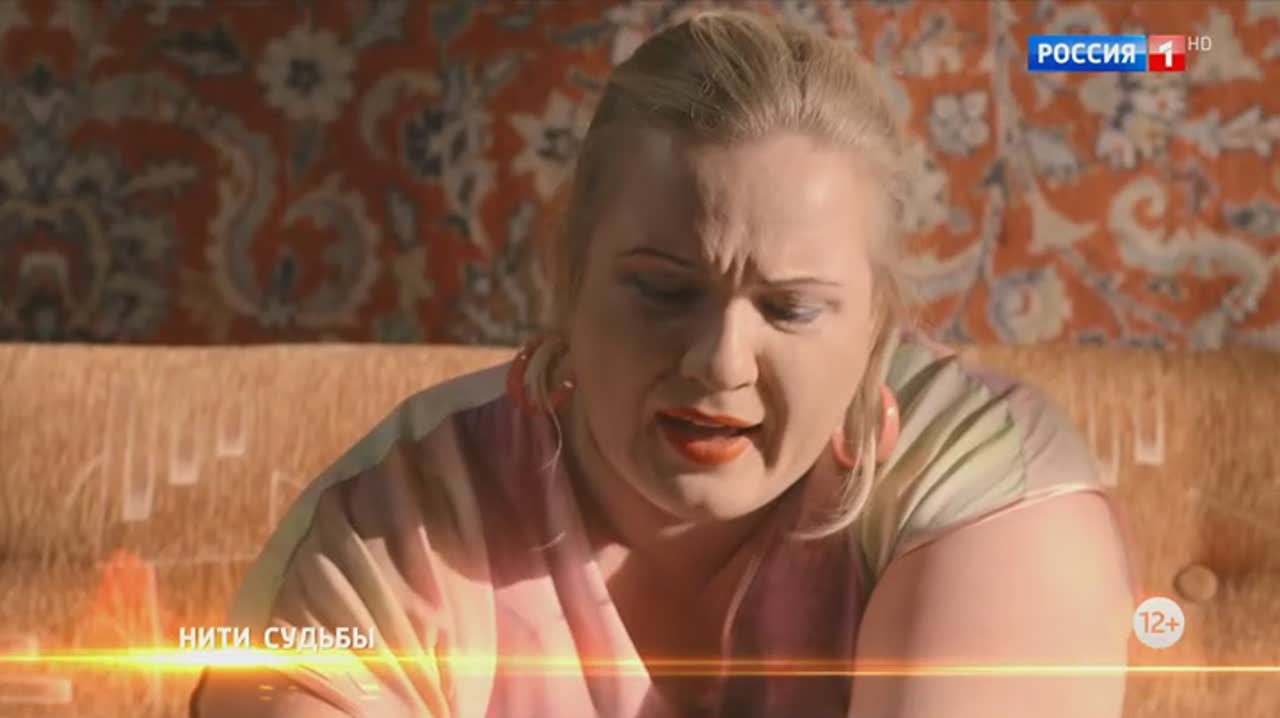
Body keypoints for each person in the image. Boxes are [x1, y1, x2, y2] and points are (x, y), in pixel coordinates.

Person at [192, 10, 1134, 718]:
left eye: (791, 308)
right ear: (570, 276)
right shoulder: (397, 519)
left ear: (879, 321)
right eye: (662, 290)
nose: (719, 362)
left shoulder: (983, 479)